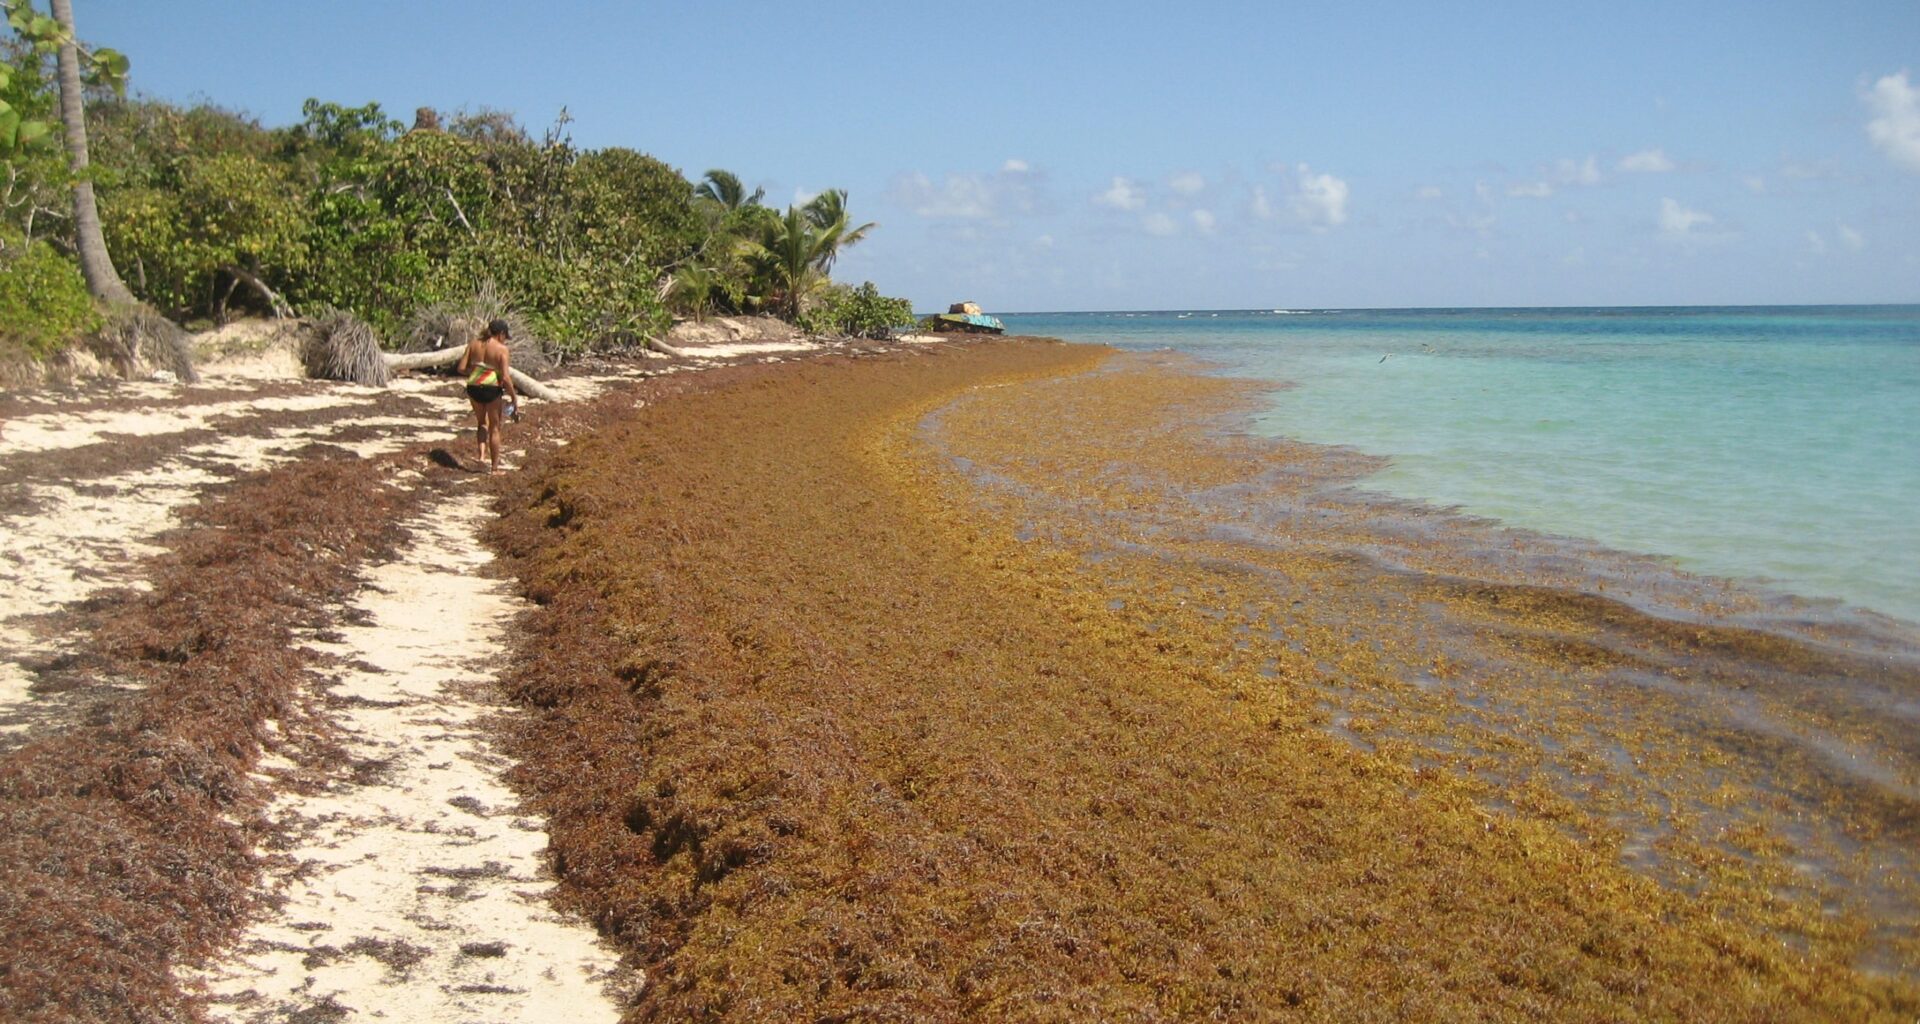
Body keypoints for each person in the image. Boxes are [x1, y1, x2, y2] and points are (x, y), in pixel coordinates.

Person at [456, 319, 518, 473]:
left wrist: (478, 372)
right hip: (491, 388)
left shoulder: (473, 344)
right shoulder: (502, 349)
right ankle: (494, 468)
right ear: (501, 334)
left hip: (473, 387)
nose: (505, 340)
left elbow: (461, 368)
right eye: (505, 336)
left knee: (481, 423)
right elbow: (505, 377)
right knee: (495, 428)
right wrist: (513, 396)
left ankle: (482, 456)